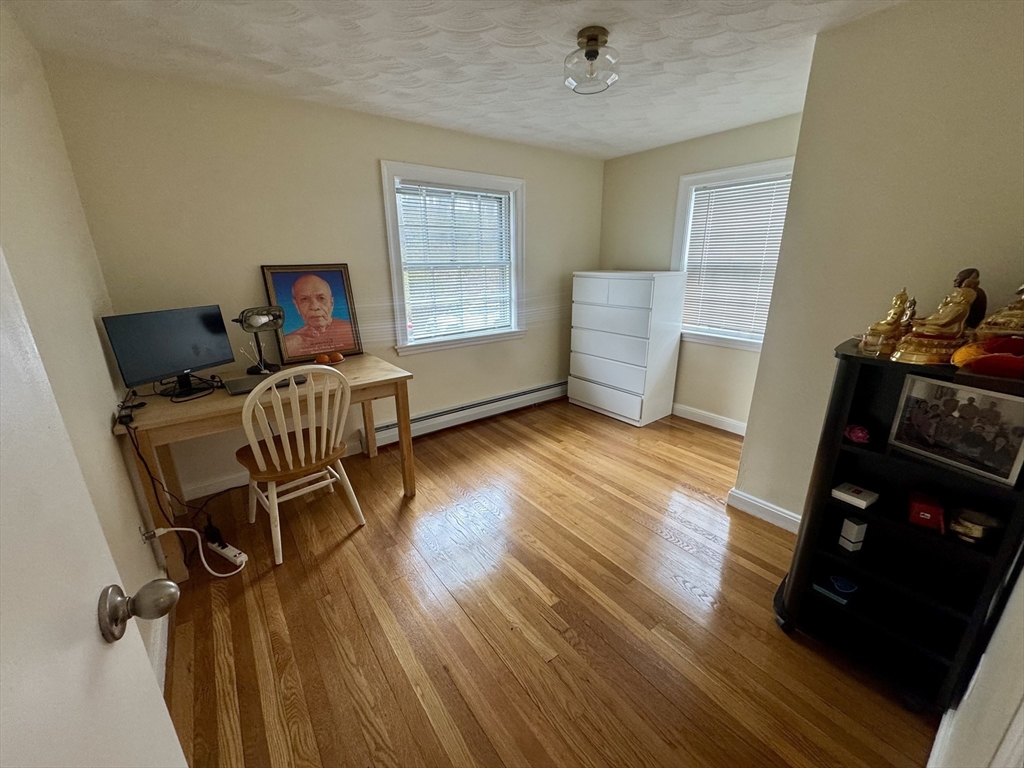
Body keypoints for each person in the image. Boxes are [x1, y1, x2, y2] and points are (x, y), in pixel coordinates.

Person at [283, 274, 355, 358]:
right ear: (296, 305)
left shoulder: (351, 332)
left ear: (331, 303)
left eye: (321, 298)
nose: (314, 307)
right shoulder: (288, 344)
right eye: (304, 299)